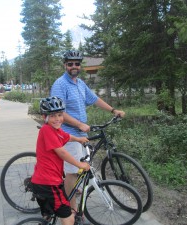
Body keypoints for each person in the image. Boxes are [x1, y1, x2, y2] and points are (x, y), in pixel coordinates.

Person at [51, 50, 126, 212]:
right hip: (67, 133)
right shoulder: (60, 84)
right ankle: (72, 210)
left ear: (80, 66)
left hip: (81, 132)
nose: (74, 66)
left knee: (81, 166)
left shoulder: (79, 83)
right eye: (70, 64)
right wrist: (79, 125)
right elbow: (58, 112)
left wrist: (113, 110)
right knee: (72, 172)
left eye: (76, 63)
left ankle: (72, 188)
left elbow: (95, 99)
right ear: (65, 65)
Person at [31, 96, 90, 225]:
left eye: (59, 115)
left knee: (57, 209)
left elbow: (67, 136)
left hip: (46, 181)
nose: (57, 119)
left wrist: (79, 139)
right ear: (44, 117)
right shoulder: (46, 130)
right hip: (49, 183)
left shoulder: (55, 130)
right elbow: (62, 152)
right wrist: (80, 164)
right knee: (69, 218)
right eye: (52, 116)